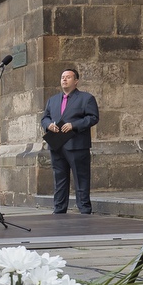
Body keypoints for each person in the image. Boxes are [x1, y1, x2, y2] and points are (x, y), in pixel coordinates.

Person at [41, 68, 99, 214]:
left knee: (81, 178)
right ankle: (59, 209)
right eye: (62, 77)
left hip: (77, 145)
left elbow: (93, 117)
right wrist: (49, 125)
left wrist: (75, 125)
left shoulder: (86, 98)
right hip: (57, 145)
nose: (64, 79)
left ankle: (84, 210)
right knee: (59, 179)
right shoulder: (52, 100)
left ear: (76, 81)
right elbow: (44, 118)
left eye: (68, 77)